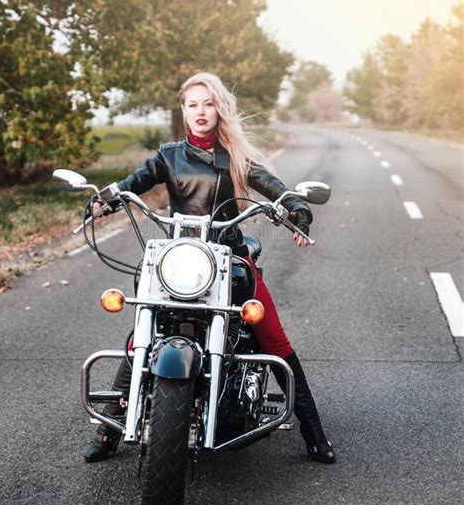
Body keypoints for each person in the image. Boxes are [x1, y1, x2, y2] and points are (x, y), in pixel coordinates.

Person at [85, 72, 336, 464]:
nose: (200, 112)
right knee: (141, 335)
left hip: (229, 259)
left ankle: (314, 433)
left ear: (219, 109)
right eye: (192, 105)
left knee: (274, 340)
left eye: (208, 104)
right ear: (183, 111)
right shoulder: (168, 156)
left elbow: (273, 185)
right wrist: (106, 199)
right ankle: (109, 430)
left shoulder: (236, 157)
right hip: (181, 259)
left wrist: (296, 207)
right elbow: (133, 182)